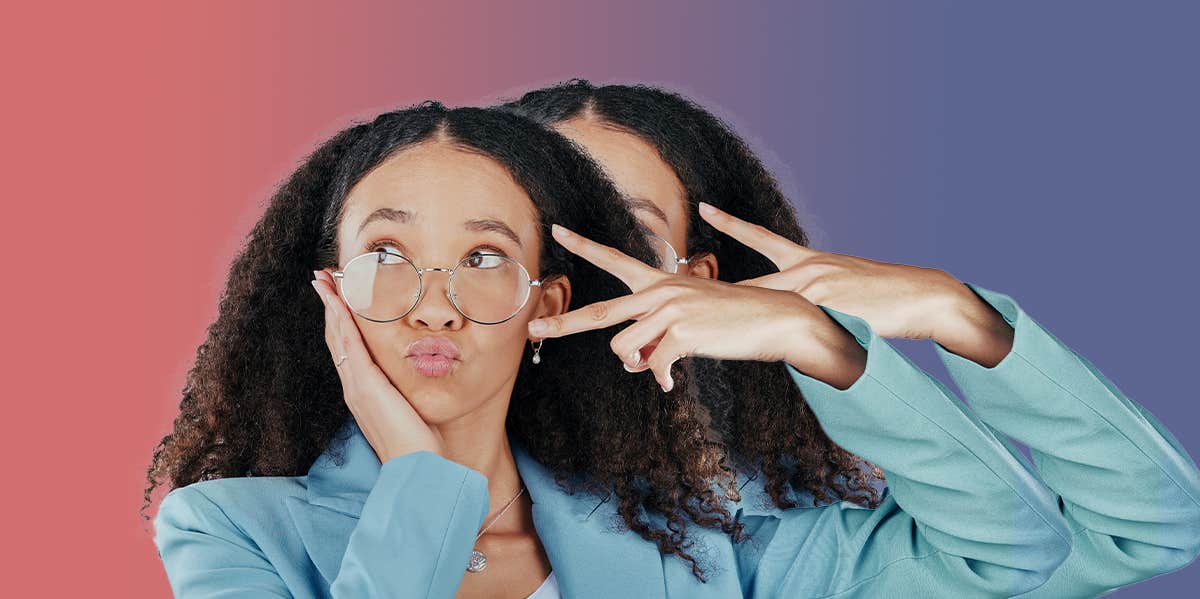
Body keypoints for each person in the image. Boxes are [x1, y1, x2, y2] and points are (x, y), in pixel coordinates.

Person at [146, 102, 1075, 598]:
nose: (433, 308)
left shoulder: (693, 543)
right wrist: (421, 482)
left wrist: (820, 343)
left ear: (546, 302)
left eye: (481, 257)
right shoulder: (229, 529)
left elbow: (1008, 552)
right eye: (387, 255)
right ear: (331, 289)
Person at [506, 80, 1200, 596]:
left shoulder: (768, 543)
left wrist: (955, 316)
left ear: (705, 285)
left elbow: (1144, 523)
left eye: (626, 237)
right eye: (539, 233)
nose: (578, 276)